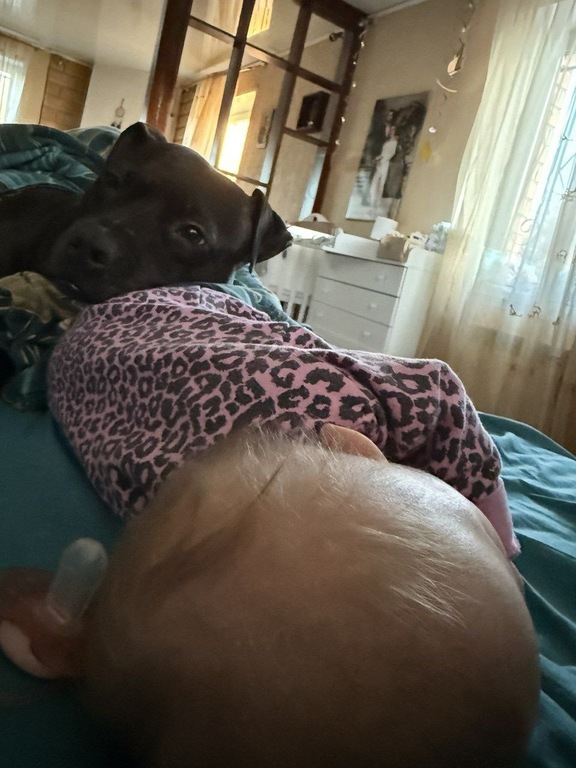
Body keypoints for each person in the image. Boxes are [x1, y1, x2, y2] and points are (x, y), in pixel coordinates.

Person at [1, 280, 540, 766]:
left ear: (354, 448)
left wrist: (494, 540)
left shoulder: (340, 408)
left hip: (155, 315)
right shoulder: (171, 527)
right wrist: (504, 542)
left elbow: (441, 389)